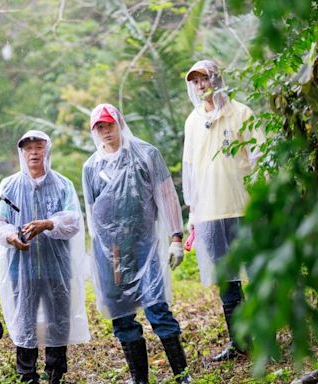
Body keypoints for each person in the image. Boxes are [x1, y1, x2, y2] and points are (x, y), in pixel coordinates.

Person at [82, 103, 191, 384]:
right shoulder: (92, 167)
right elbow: (92, 214)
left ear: (120, 123)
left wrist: (175, 237)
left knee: (157, 308)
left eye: (109, 124)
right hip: (112, 253)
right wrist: (98, 255)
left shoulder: (145, 154)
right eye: (100, 127)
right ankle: (139, 379)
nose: (105, 131)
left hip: (145, 247)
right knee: (122, 316)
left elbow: (166, 196)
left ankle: (182, 375)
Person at [0, 130, 90, 384]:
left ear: (48, 150)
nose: (33, 152)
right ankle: (27, 373)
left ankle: (55, 371)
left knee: (58, 318)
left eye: (39, 146)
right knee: (25, 318)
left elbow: (73, 221)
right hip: (21, 268)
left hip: (57, 269)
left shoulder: (62, 184)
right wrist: (11, 236)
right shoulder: (9, 186)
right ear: (21, 153)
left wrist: (48, 223)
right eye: (28, 148)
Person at [182, 60, 264, 361]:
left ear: (217, 79)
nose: (201, 86)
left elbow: (258, 160)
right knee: (227, 282)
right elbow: (189, 170)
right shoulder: (192, 122)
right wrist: (193, 213)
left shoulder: (241, 113)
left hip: (244, 208)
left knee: (258, 274)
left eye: (205, 79)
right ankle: (240, 343)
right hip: (209, 214)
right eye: (196, 82)